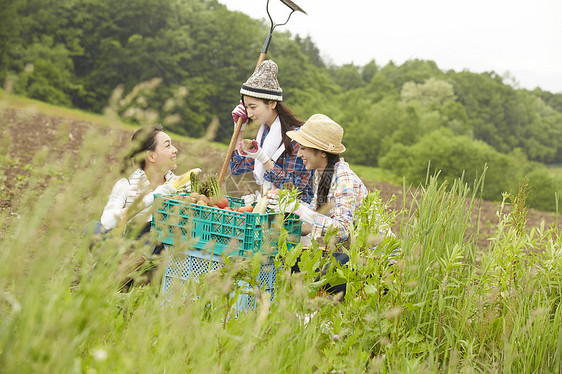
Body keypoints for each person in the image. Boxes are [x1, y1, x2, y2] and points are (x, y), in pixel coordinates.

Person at [266, 114, 393, 298]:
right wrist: (282, 221)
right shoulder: (322, 174)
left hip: (378, 264)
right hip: (355, 256)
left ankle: (312, 315)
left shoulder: (344, 179)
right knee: (292, 261)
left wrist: (298, 209)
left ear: (322, 152)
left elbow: (341, 230)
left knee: (311, 268)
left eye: (303, 148)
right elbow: (311, 222)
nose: (299, 154)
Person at [229, 60, 314, 204]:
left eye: (253, 107)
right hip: (270, 209)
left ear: (273, 103)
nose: (249, 114)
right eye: (246, 107)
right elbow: (236, 167)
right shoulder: (264, 134)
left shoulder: (297, 138)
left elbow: (294, 187)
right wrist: (239, 129)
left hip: (295, 215)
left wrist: (264, 159)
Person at [88, 125, 182, 255]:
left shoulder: (179, 186)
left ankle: (128, 265)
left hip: (157, 252)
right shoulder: (125, 184)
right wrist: (152, 197)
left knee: (160, 231)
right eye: (168, 146)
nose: (175, 150)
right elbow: (107, 222)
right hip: (126, 246)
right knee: (93, 228)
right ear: (151, 156)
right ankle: (125, 262)